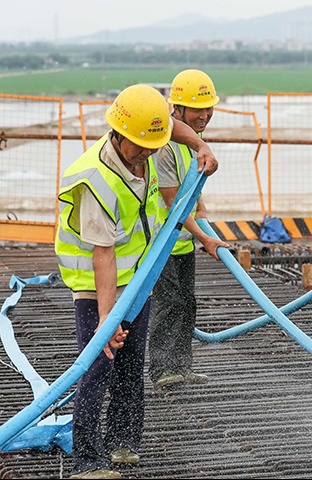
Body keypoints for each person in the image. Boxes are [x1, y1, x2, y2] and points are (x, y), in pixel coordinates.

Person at [55, 84, 218, 479]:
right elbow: (103, 256)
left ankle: (124, 442)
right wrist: (108, 320)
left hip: (138, 277)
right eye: (139, 146)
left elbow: (172, 127)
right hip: (96, 285)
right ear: (117, 133)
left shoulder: (146, 134)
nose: (146, 152)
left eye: (152, 144)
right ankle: (87, 461)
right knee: (98, 365)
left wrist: (201, 146)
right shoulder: (96, 179)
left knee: (130, 364)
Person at [148, 69, 229, 390]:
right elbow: (173, 206)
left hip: (181, 241)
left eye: (209, 109)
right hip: (162, 240)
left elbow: (188, 192)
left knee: (186, 302)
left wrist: (203, 207)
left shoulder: (190, 146)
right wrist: (207, 238)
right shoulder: (166, 146)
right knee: (168, 302)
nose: (205, 115)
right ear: (177, 110)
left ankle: (182, 366)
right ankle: (163, 369)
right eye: (198, 109)